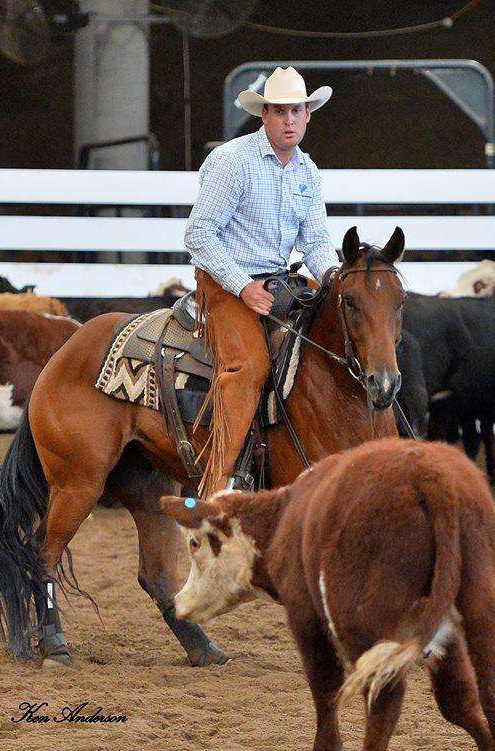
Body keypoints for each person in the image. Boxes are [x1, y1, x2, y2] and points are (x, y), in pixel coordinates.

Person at [184, 66, 340, 497]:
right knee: (249, 366)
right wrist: (241, 285)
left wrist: (333, 278)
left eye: (297, 110)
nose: (290, 120)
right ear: (264, 115)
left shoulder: (307, 171)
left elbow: (316, 241)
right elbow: (199, 234)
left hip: (277, 282)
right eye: (280, 111)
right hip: (223, 281)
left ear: (308, 115)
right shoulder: (233, 162)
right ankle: (220, 482)